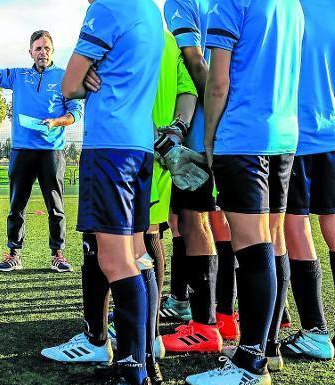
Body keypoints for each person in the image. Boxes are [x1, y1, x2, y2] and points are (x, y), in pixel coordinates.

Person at [41, 26, 197, 385]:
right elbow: (188, 91)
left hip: (120, 146)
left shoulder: (116, 23)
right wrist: (177, 128)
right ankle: (146, 342)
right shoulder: (165, 37)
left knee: (108, 243)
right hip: (154, 150)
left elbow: (71, 84)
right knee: (146, 239)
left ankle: (104, 340)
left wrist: (84, 74)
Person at [185, 0, 304, 383]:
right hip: (284, 136)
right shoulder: (293, 6)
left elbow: (218, 83)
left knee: (253, 248)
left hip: (243, 138)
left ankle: (250, 363)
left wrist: (208, 139)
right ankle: (266, 348)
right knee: (271, 240)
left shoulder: (231, 3)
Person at [56, 0, 164, 383]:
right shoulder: (152, 10)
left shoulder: (108, 7)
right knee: (138, 255)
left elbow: (69, 84)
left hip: (110, 147)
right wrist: (91, 73)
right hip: (139, 146)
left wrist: (84, 77)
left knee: (115, 261)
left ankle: (131, 368)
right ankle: (146, 357)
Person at [160, 0, 237, 355]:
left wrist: (220, 117)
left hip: (204, 135)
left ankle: (204, 324)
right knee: (223, 224)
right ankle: (224, 316)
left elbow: (194, 63)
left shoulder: (181, 3)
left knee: (194, 223)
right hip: (238, 132)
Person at [0, 30, 82, 273]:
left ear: (52, 51)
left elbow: (75, 112)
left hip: (51, 151)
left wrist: (56, 122)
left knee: (55, 207)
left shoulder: (64, 78)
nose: (43, 52)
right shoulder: (18, 76)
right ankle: (13, 254)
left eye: (47, 48)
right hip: (21, 151)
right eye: (38, 48)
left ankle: (58, 254)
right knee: (16, 205)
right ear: (30, 51)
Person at [281, 0, 335, 361]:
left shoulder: (285, 7)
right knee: (332, 227)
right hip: (330, 133)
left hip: (294, 136)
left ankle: (315, 332)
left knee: (293, 226)